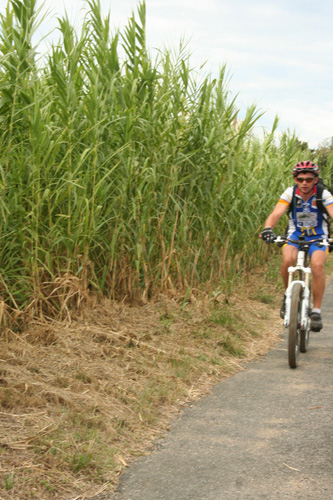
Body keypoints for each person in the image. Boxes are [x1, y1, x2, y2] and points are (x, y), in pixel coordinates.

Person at [261, 161, 333, 332]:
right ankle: (288, 296)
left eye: (309, 179)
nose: (304, 183)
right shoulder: (290, 192)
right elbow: (276, 213)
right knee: (288, 261)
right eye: (300, 179)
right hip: (295, 235)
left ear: (315, 179)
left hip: (318, 236)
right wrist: (267, 229)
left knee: (317, 266)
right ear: (295, 179)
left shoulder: (324, 194)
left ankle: (315, 311)